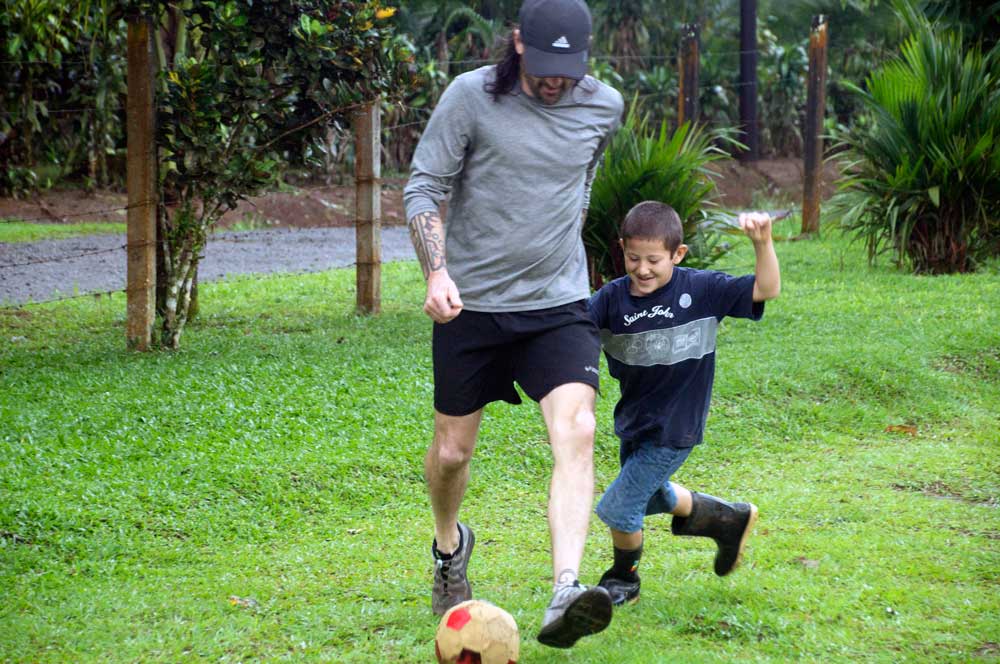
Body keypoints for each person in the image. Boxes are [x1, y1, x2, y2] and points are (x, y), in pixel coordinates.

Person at [402, 0, 624, 649]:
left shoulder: (602, 106)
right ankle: (449, 548)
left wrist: (561, 246)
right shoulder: (469, 98)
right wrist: (436, 273)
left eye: (569, 69)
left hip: (556, 303)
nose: (556, 82)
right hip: (471, 304)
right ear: (519, 43)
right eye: (545, 67)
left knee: (577, 427)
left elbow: (580, 180)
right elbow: (423, 188)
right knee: (451, 453)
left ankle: (566, 589)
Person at [587, 201, 781, 606]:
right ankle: (729, 520)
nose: (642, 269)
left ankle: (624, 580)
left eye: (654, 260)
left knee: (620, 506)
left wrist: (762, 243)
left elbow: (766, 289)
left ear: (678, 254)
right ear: (622, 248)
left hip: (675, 427)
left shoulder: (702, 290)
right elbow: (570, 334)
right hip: (635, 422)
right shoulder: (609, 300)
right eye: (633, 257)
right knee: (652, 495)